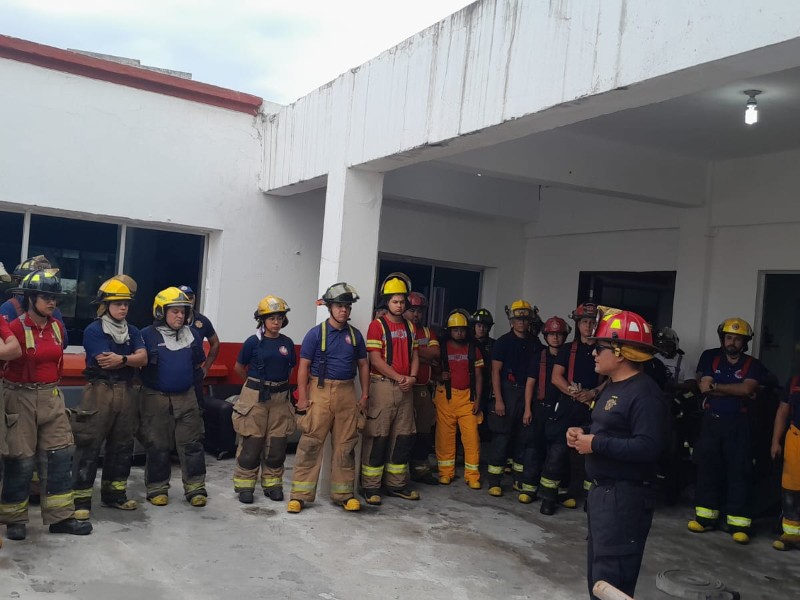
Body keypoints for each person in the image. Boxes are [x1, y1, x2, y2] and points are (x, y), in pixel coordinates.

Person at [567, 310, 665, 600]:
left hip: (625, 501)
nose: (594, 353)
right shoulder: (614, 386)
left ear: (620, 352)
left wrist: (595, 444)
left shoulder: (645, 393)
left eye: (601, 348)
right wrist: (581, 432)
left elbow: (649, 446)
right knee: (599, 582)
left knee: (613, 580)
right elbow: (608, 428)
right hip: (603, 497)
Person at [0, 270, 93, 540]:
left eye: (54, 297)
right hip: (20, 398)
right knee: (21, 459)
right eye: (45, 297)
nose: (51, 302)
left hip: (51, 397)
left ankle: (61, 518)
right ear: (30, 298)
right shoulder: (15, 327)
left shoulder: (56, 326)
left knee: (60, 456)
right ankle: (14, 519)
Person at [288, 283, 369, 513]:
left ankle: (344, 495)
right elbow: (303, 367)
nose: (344, 310)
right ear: (330, 307)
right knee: (311, 443)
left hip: (346, 393)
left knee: (345, 446)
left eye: (347, 307)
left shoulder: (355, 336)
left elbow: (363, 365)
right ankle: (299, 496)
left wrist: (365, 395)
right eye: (340, 306)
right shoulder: (315, 334)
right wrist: (303, 398)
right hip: (319, 392)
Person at [71, 275, 147, 520]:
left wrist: (123, 360)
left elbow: (142, 358)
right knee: (88, 445)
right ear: (105, 305)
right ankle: (80, 501)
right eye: (117, 303)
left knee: (122, 445)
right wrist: (129, 358)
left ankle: (115, 495)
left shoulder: (133, 330)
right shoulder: (94, 330)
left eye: (126, 303)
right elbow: (104, 360)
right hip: (99, 392)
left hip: (126, 390)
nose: (123, 307)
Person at [688, 317, 767, 544]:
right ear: (723, 339)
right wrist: (729, 390)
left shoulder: (753, 364)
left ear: (745, 342)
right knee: (707, 469)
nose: (732, 342)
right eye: (729, 337)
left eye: (738, 339)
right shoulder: (710, 357)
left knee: (739, 472)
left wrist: (717, 387)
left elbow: (747, 389)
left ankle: (738, 523)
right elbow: (704, 387)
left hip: (739, 425)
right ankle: (705, 518)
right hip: (711, 422)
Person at [139, 287, 208, 507]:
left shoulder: (193, 335)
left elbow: (198, 363)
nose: (180, 316)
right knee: (157, 444)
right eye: (175, 311)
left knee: (192, 444)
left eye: (183, 312)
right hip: (155, 398)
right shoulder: (146, 335)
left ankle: (196, 488)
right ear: (160, 312)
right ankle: (157, 488)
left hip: (187, 397)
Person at [361, 273, 420, 505]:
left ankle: (397, 484)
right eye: (395, 301)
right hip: (383, 387)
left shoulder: (410, 327)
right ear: (386, 302)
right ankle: (371, 487)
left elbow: (415, 354)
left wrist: (413, 377)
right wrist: (399, 378)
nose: (399, 305)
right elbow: (374, 360)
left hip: (407, 388)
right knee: (378, 436)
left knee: (403, 437)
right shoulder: (376, 326)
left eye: (402, 301)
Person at [232, 295, 296, 503]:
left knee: (277, 444)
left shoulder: (287, 343)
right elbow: (239, 368)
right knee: (252, 442)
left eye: (279, 318)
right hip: (255, 397)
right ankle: (245, 486)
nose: (276, 322)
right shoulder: (253, 342)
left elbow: (291, 368)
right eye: (271, 318)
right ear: (262, 320)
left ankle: (273, 484)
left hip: (280, 398)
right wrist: (255, 384)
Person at [487, 299, 541, 496]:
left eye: (526, 320)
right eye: (518, 320)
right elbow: (495, 372)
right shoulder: (503, 342)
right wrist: (499, 400)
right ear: (511, 322)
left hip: (527, 394)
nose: (522, 323)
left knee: (523, 439)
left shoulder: (535, 343)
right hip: (507, 392)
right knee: (501, 438)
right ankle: (495, 481)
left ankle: (519, 480)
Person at [551, 302, 603, 504]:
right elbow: (556, 378)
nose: (588, 326)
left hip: (593, 407)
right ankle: (550, 495)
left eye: (592, 322)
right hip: (568, 406)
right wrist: (574, 393)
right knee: (559, 450)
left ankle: (581, 496)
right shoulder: (567, 349)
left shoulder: (604, 350)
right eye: (584, 322)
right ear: (578, 324)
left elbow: (611, 379)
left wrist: (593, 393)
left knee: (586, 453)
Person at [519, 316, 570, 511]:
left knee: (559, 452)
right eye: (551, 334)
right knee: (534, 449)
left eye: (559, 334)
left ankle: (559, 491)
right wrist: (527, 408)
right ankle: (529, 489)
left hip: (562, 409)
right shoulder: (539, 357)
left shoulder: (568, 356)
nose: (555, 338)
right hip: (540, 408)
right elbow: (530, 383)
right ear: (545, 336)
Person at [433, 309, 483, 489]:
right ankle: (445, 473)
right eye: (455, 330)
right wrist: (440, 376)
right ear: (449, 331)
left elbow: (478, 377)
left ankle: (472, 475)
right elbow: (432, 371)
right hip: (445, 398)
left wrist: (478, 400)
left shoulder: (473, 349)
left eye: (462, 330)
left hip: (467, 399)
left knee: (472, 438)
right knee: (444, 438)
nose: (459, 333)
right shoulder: (441, 348)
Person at [403, 291, 440, 485]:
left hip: (423, 387)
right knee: (402, 430)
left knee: (424, 429)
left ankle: (420, 470)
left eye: (419, 311)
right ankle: (398, 472)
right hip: (403, 387)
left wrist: (414, 350)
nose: (416, 315)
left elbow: (435, 354)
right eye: (412, 310)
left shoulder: (427, 332)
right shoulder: (399, 330)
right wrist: (421, 354)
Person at [0, 256, 68, 346]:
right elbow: (6, 345)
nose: (51, 301)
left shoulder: (52, 311)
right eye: (44, 296)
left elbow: (64, 342)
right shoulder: (9, 307)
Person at [178, 285, 220, 411]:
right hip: (176, 371)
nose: (188, 301)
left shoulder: (202, 321)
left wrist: (206, 367)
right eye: (184, 298)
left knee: (196, 409)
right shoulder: (172, 319)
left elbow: (215, 343)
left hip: (195, 372)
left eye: (190, 298)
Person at [771, 371, 800, 551]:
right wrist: (775, 441)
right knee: (791, 488)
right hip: (796, 437)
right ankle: (792, 533)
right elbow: (782, 411)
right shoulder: (794, 380)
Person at [472, 308, 496, 439]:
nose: (481, 329)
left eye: (484, 326)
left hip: (488, 387)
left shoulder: (494, 345)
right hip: (469, 387)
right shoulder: (468, 343)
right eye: (479, 325)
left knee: (486, 419)